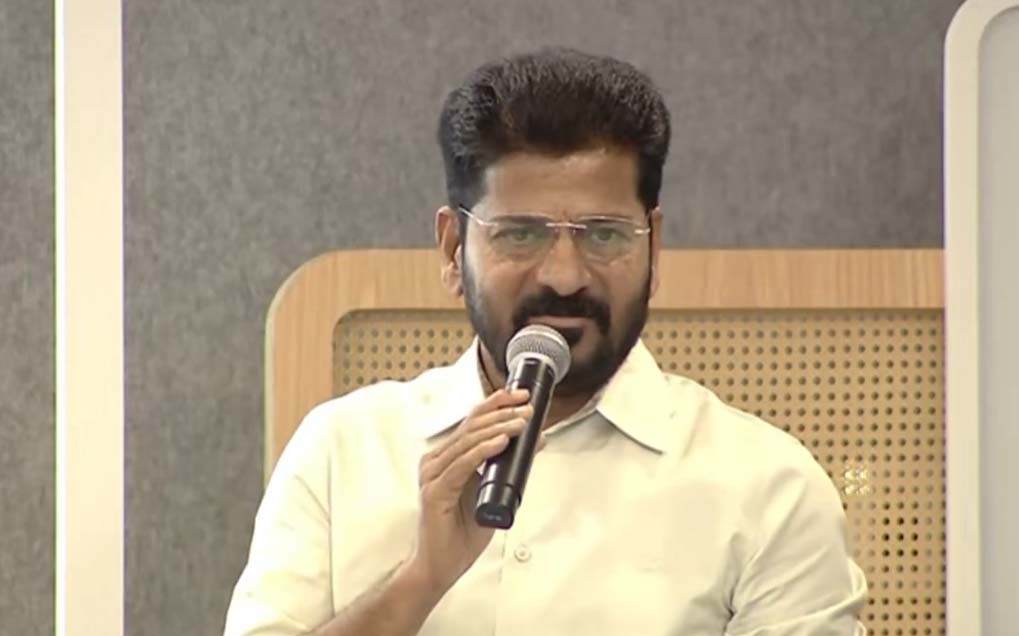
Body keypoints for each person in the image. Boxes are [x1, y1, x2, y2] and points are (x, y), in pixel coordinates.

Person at [224, 47, 867, 636]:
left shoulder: (770, 487)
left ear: (653, 249)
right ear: (453, 251)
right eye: (521, 235)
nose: (564, 275)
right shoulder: (340, 451)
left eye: (604, 235)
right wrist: (421, 580)